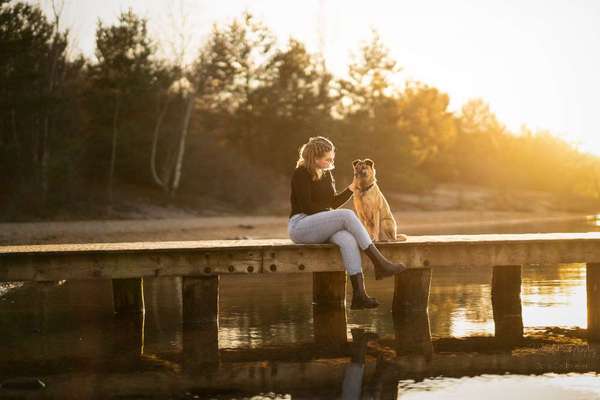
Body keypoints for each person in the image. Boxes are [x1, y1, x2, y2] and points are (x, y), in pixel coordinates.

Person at [287, 136, 407, 310]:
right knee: (347, 215)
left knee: (347, 239)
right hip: (301, 226)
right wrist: (333, 216)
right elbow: (307, 206)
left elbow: (333, 203)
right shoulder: (301, 174)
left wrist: (351, 189)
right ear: (315, 158)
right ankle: (380, 264)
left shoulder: (327, 174)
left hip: (321, 225)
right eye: (327, 159)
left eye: (332, 158)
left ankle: (359, 295)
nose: (330, 162)